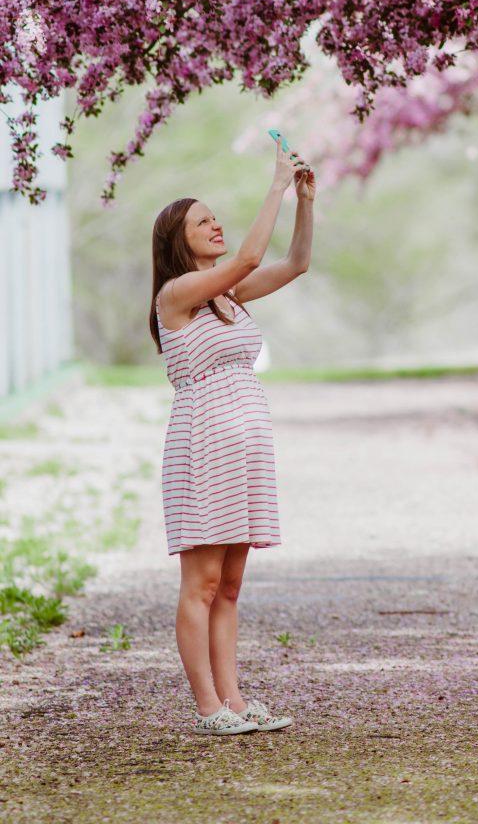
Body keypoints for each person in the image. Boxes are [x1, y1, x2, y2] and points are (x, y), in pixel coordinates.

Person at [149, 137, 315, 735]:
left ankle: (235, 703)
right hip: (202, 446)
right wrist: (273, 182)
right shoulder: (177, 296)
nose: (216, 225)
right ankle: (208, 708)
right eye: (204, 221)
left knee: (231, 586)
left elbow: (294, 264)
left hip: (244, 447)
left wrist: (303, 201)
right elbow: (246, 259)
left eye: (217, 218)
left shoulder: (227, 296)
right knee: (202, 584)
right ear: (178, 239)